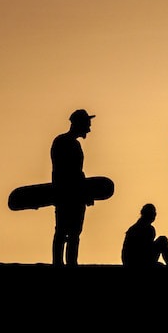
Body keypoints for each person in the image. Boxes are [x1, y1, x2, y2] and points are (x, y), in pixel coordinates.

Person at [50, 108, 95, 267]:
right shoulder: (67, 143)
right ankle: (66, 264)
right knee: (67, 231)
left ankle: (64, 263)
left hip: (66, 193)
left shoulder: (62, 141)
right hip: (70, 194)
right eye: (87, 125)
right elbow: (72, 172)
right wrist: (84, 193)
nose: (89, 129)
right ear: (79, 124)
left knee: (66, 231)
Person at [121, 203, 168, 268]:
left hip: (137, 260)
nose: (154, 215)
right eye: (152, 213)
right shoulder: (141, 229)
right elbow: (143, 249)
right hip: (136, 262)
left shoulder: (146, 228)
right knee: (162, 240)